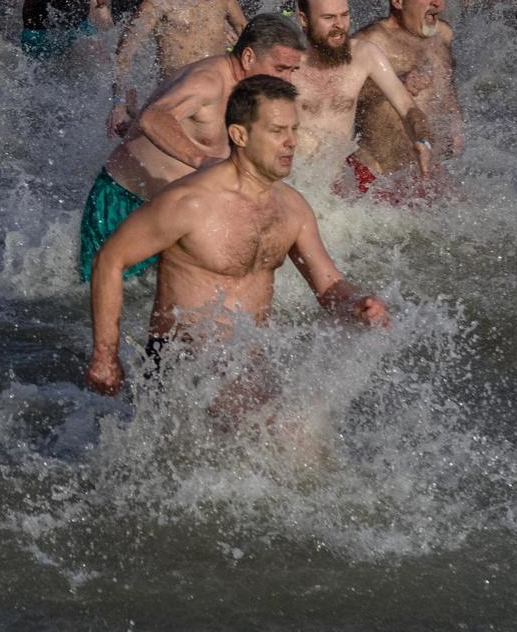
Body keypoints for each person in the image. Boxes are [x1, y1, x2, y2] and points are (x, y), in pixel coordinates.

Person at [85, 75, 389, 397]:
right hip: (182, 365)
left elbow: (328, 285)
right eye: (277, 131)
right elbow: (110, 259)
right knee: (283, 429)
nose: (291, 142)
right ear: (239, 134)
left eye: (293, 129)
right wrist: (105, 355)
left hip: (249, 364)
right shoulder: (190, 202)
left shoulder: (292, 208)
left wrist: (357, 304)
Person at [82, 14, 309, 282]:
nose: (288, 81)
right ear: (248, 57)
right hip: (125, 204)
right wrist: (202, 160)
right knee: (105, 298)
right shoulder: (208, 81)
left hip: (179, 214)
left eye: (293, 71)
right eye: (281, 69)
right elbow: (153, 118)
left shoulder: (247, 93)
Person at [291, 0, 431, 191]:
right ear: (304, 19)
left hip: (339, 182)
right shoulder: (285, 64)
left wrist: (422, 139)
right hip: (297, 181)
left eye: (344, 15)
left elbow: (408, 107)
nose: (339, 25)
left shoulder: (364, 55)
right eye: (329, 18)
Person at [109, 0, 242, 129]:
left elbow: (242, 28)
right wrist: (117, 103)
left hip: (219, 94)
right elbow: (125, 50)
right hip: (177, 97)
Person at [355, 0, 464, 183]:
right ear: (397, 0)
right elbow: (340, 96)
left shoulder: (442, 35)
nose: (437, 4)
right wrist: (394, 83)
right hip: (381, 174)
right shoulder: (369, 43)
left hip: (428, 169)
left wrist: (456, 123)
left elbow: (447, 84)